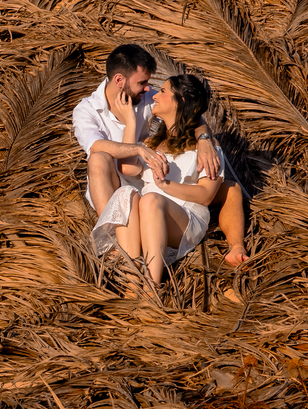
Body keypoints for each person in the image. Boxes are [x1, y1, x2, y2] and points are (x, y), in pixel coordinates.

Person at [73, 45, 248, 267]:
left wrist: (204, 139)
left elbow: (188, 113)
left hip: (150, 176)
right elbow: (97, 146)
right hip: (119, 183)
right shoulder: (86, 110)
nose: (149, 90)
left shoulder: (147, 99)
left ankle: (237, 246)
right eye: (142, 83)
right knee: (99, 158)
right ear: (119, 80)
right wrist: (138, 148)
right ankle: (115, 239)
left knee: (229, 187)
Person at [92, 74, 223, 287]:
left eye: (162, 91)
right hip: (148, 213)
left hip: (184, 218)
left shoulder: (207, 147)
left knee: (151, 199)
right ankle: (133, 282)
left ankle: (152, 287)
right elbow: (126, 167)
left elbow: (206, 196)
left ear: (180, 101)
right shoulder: (151, 143)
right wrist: (130, 121)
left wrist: (164, 185)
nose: (154, 96)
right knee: (126, 194)